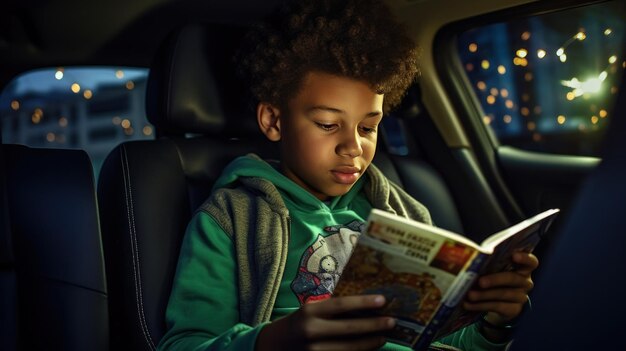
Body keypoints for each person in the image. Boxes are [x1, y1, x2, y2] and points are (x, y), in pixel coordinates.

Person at [157, 0, 537, 350]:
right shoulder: (231, 218)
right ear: (273, 120)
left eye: (368, 128)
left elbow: (441, 341)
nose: (353, 147)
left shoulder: (403, 211)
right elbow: (183, 345)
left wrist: (495, 322)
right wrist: (277, 339)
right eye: (327, 124)